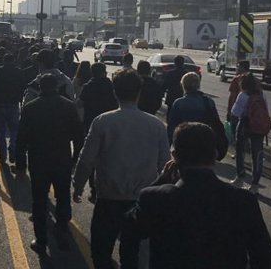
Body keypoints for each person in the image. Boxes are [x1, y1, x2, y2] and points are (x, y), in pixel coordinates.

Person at [126, 122, 271, 269]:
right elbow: (265, 257)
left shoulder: (155, 198)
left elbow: (130, 229)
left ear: (174, 156)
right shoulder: (243, 201)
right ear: (215, 155)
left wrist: (162, 179)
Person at [73, 68, 170, 269]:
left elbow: (86, 159)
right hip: (142, 201)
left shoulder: (102, 121)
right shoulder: (156, 125)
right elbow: (166, 165)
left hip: (108, 198)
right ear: (139, 92)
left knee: (101, 251)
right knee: (133, 253)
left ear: (115, 92)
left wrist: (78, 185)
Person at [14, 74, 84, 253]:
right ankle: (61, 228)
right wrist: (75, 159)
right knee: (62, 197)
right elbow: (78, 136)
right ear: (56, 86)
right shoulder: (68, 106)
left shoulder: (30, 108)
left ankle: (41, 240)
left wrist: (21, 165)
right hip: (62, 159)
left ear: (40, 87)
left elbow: (21, 139)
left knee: (39, 201)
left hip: (39, 161)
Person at [78, 63, 119, 203]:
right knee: (110, 154)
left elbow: (79, 104)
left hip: (91, 123)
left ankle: (93, 188)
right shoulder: (111, 86)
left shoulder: (88, 86)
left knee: (91, 156)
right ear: (104, 72)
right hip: (111, 123)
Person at [230, 73, 269, 193]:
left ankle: (240, 177)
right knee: (257, 155)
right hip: (259, 127)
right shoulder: (262, 94)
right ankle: (255, 184)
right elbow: (266, 110)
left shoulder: (243, 95)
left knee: (240, 151)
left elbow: (235, 112)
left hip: (245, 125)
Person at [0, 53, 24, 165]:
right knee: (14, 131)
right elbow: (23, 88)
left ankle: (2, 157)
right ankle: (13, 148)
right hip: (13, 105)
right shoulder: (19, 72)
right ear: (14, 61)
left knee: (1, 133)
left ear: (3, 61)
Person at [167, 72, 220, 143]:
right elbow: (216, 124)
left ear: (183, 85)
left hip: (184, 141)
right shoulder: (208, 101)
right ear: (198, 85)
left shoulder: (179, 103)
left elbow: (172, 128)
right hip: (204, 141)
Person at [227, 60, 252, 136]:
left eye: (237, 66)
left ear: (242, 68)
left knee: (237, 133)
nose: (236, 68)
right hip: (252, 111)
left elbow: (232, 96)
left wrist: (229, 111)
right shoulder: (255, 80)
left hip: (238, 112)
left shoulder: (236, 79)